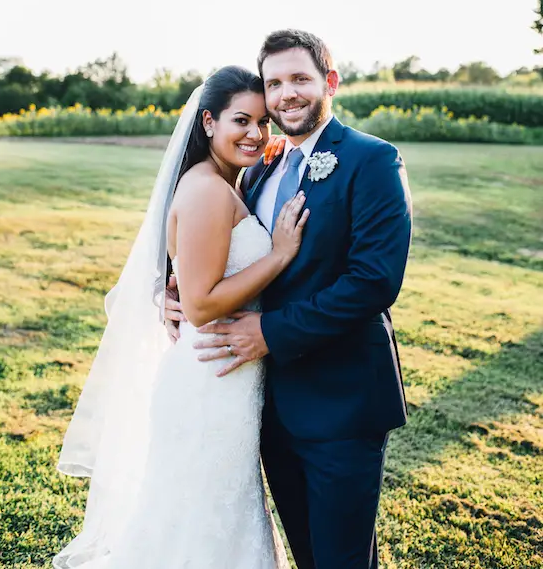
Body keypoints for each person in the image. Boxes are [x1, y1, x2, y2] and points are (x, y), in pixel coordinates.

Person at [168, 29, 413, 569]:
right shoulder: (260, 166)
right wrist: (176, 290)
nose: (286, 95)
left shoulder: (372, 160)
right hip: (268, 410)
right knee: (306, 556)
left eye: (300, 78)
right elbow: (222, 248)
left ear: (330, 82)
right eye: (273, 83)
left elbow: (373, 281)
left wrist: (268, 333)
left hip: (340, 404)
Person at [53, 66, 308, 569]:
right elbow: (199, 304)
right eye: (241, 120)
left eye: (263, 123)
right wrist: (277, 255)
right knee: (199, 521)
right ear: (209, 122)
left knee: (215, 515)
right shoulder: (208, 190)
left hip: (227, 376)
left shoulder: (224, 180)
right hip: (208, 384)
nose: (256, 134)